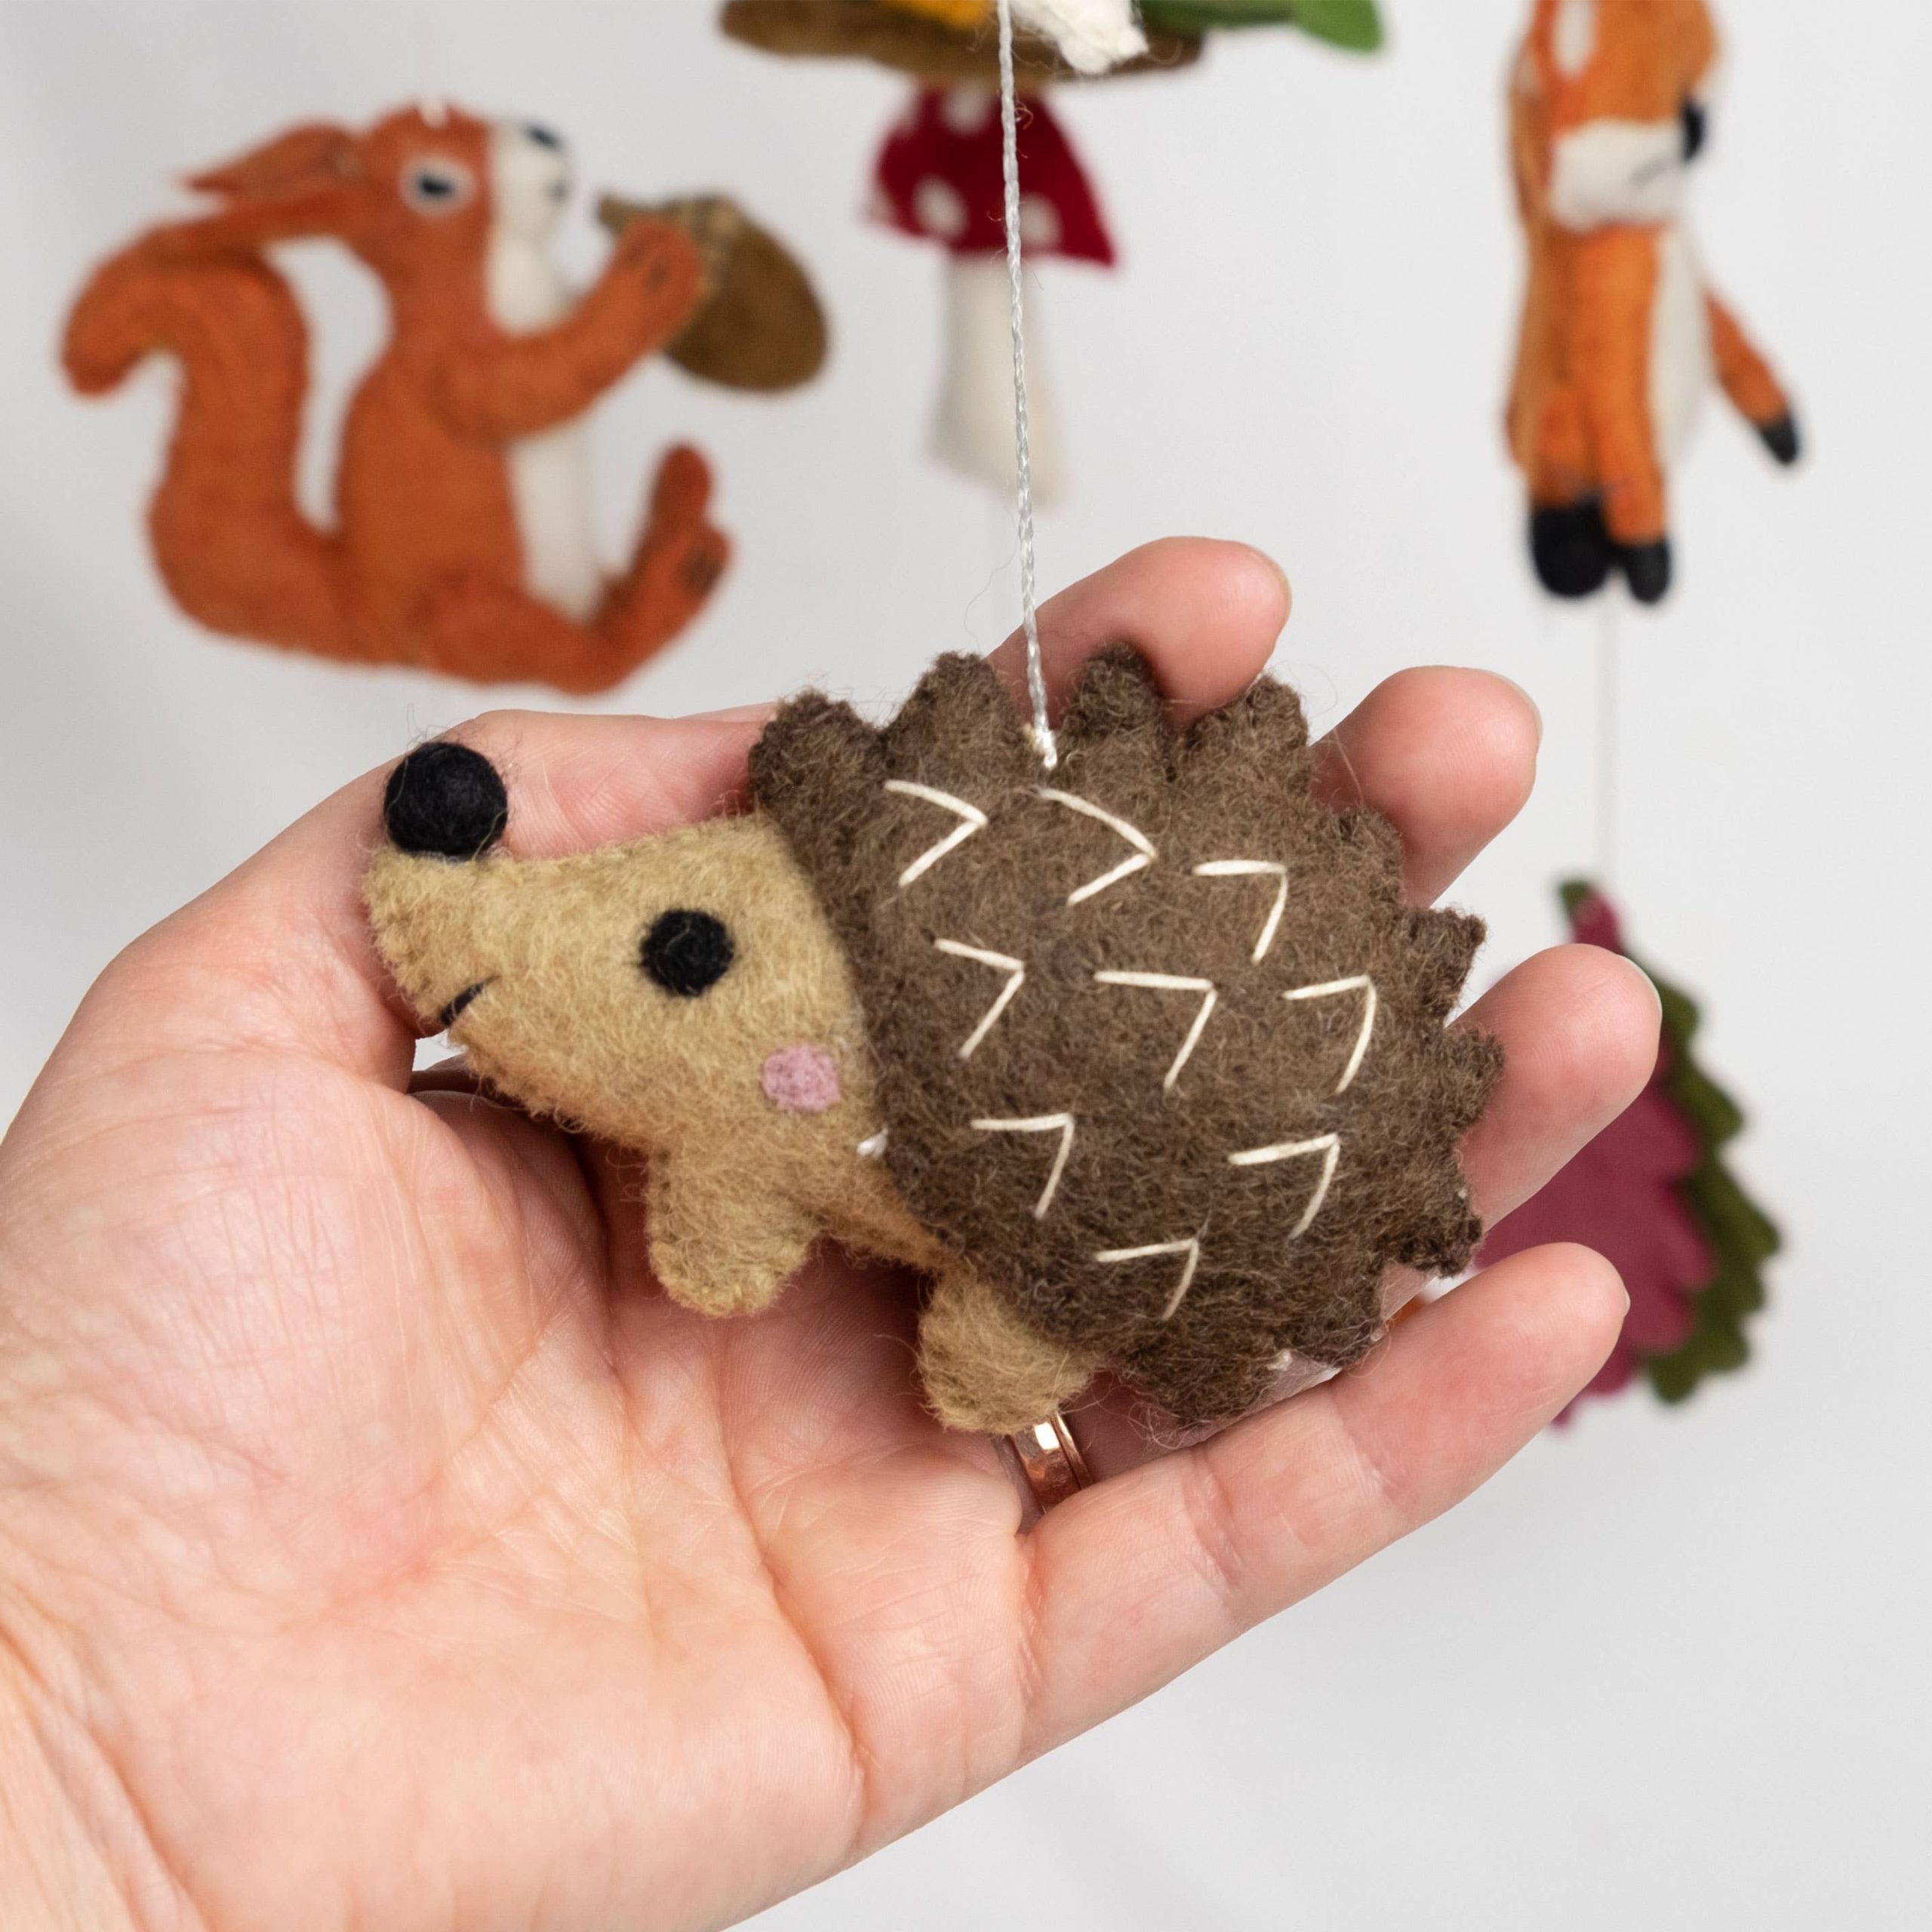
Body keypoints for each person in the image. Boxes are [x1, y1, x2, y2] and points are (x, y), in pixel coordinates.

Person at [0, 542, 1657, 1930]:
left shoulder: (782, 1069)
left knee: (982, 1295)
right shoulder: (762, 1060)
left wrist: (90, 1803)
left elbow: (732, 1202)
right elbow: (730, 1195)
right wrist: (68, 1728)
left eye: (688, 953)